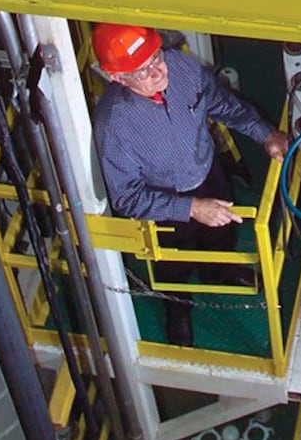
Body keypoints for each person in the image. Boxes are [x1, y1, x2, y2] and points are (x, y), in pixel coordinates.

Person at [90, 24, 290, 346]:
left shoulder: (182, 68)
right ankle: (178, 309)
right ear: (117, 78)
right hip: (165, 203)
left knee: (221, 233)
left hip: (209, 175)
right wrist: (192, 209)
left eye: (156, 57)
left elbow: (221, 103)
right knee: (171, 264)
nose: (157, 72)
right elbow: (127, 198)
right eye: (142, 71)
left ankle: (219, 273)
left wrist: (263, 133)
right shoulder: (114, 125)